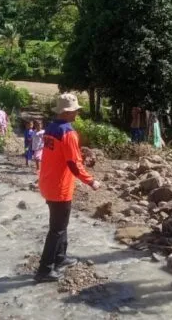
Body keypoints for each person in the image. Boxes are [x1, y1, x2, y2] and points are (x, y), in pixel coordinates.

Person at [36, 93, 101, 282]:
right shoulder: (68, 133)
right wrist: (91, 181)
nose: (77, 114)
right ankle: (44, 270)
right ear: (65, 112)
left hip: (48, 182)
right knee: (56, 229)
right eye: (74, 111)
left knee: (61, 225)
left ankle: (61, 258)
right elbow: (74, 164)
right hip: (60, 188)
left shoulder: (51, 128)